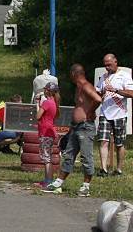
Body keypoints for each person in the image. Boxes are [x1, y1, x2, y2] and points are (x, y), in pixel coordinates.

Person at [43, 64, 103, 196]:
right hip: (76, 127)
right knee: (69, 155)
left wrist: (90, 112)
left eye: (71, 74)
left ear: (74, 74)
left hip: (85, 126)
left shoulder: (86, 86)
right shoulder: (78, 88)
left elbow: (98, 99)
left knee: (86, 157)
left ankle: (86, 186)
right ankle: (59, 182)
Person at [95, 53, 133, 177]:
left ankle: (119, 169)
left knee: (119, 143)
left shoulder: (125, 76)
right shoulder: (103, 77)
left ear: (115, 62)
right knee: (103, 141)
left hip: (119, 113)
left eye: (109, 65)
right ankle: (103, 169)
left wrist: (116, 90)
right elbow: (97, 93)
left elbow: (131, 93)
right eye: (105, 65)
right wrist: (100, 93)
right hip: (105, 113)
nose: (107, 67)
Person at [36, 82, 61, 188]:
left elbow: (38, 116)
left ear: (48, 91)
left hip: (45, 132)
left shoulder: (46, 103)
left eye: (45, 89)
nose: (44, 91)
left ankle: (48, 180)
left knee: (46, 158)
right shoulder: (54, 103)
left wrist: (37, 103)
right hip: (50, 131)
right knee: (47, 157)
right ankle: (47, 179)